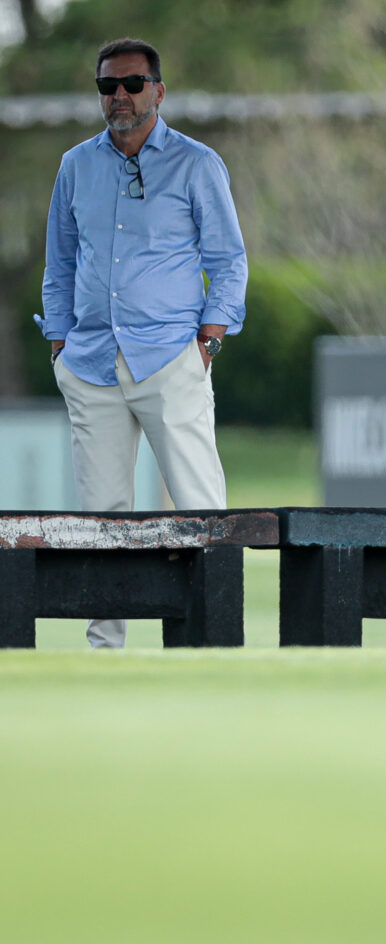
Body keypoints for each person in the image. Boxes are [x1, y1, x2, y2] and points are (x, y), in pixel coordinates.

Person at [34, 37, 248, 649]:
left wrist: (207, 340)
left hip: (170, 359)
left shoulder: (197, 163)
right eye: (108, 86)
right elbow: (60, 264)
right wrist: (59, 343)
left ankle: (215, 642)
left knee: (201, 507)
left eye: (132, 84)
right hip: (92, 363)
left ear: (158, 89)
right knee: (103, 519)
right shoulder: (75, 166)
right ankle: (108, 655)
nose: (120, 96)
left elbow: (229, 261)